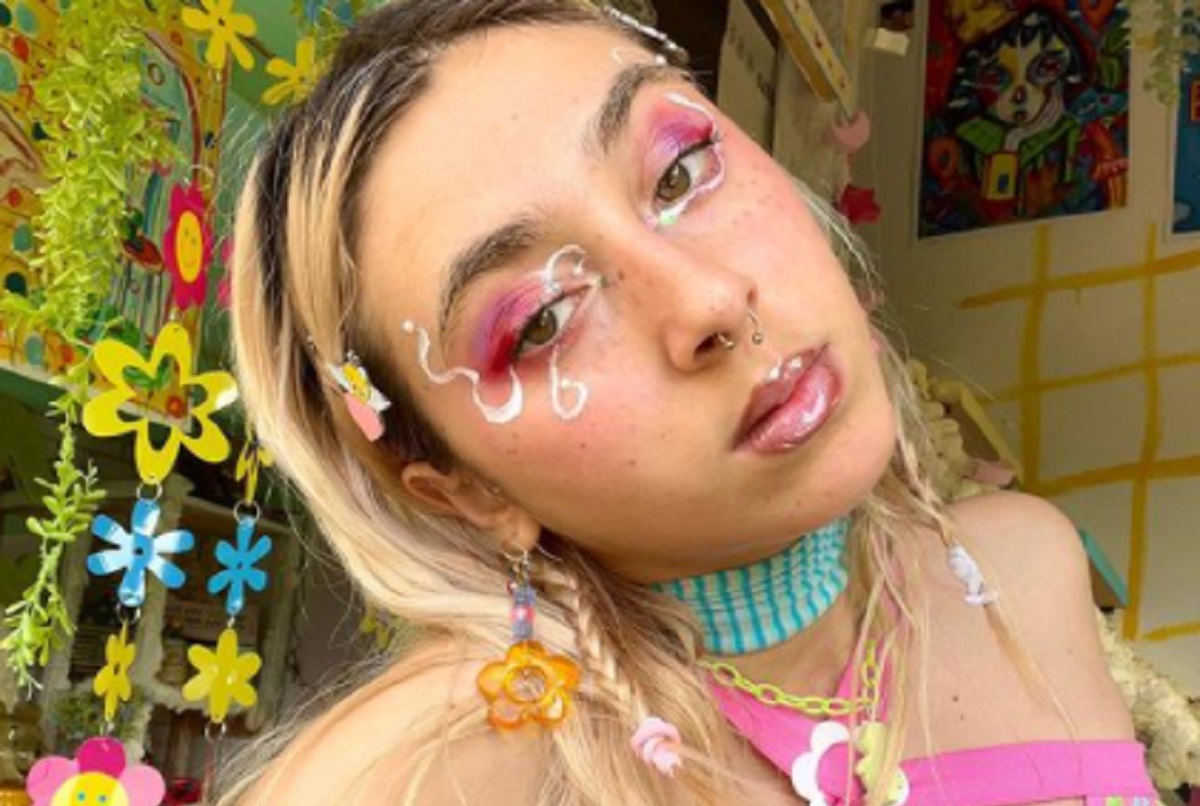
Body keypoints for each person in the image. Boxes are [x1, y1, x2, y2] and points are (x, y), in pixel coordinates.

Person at [220, 1, 1154, 804]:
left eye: (680, 173)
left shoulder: (1026, 569)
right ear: (465, 490)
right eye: (541, 320)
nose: (710, 301)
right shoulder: (424, 775)